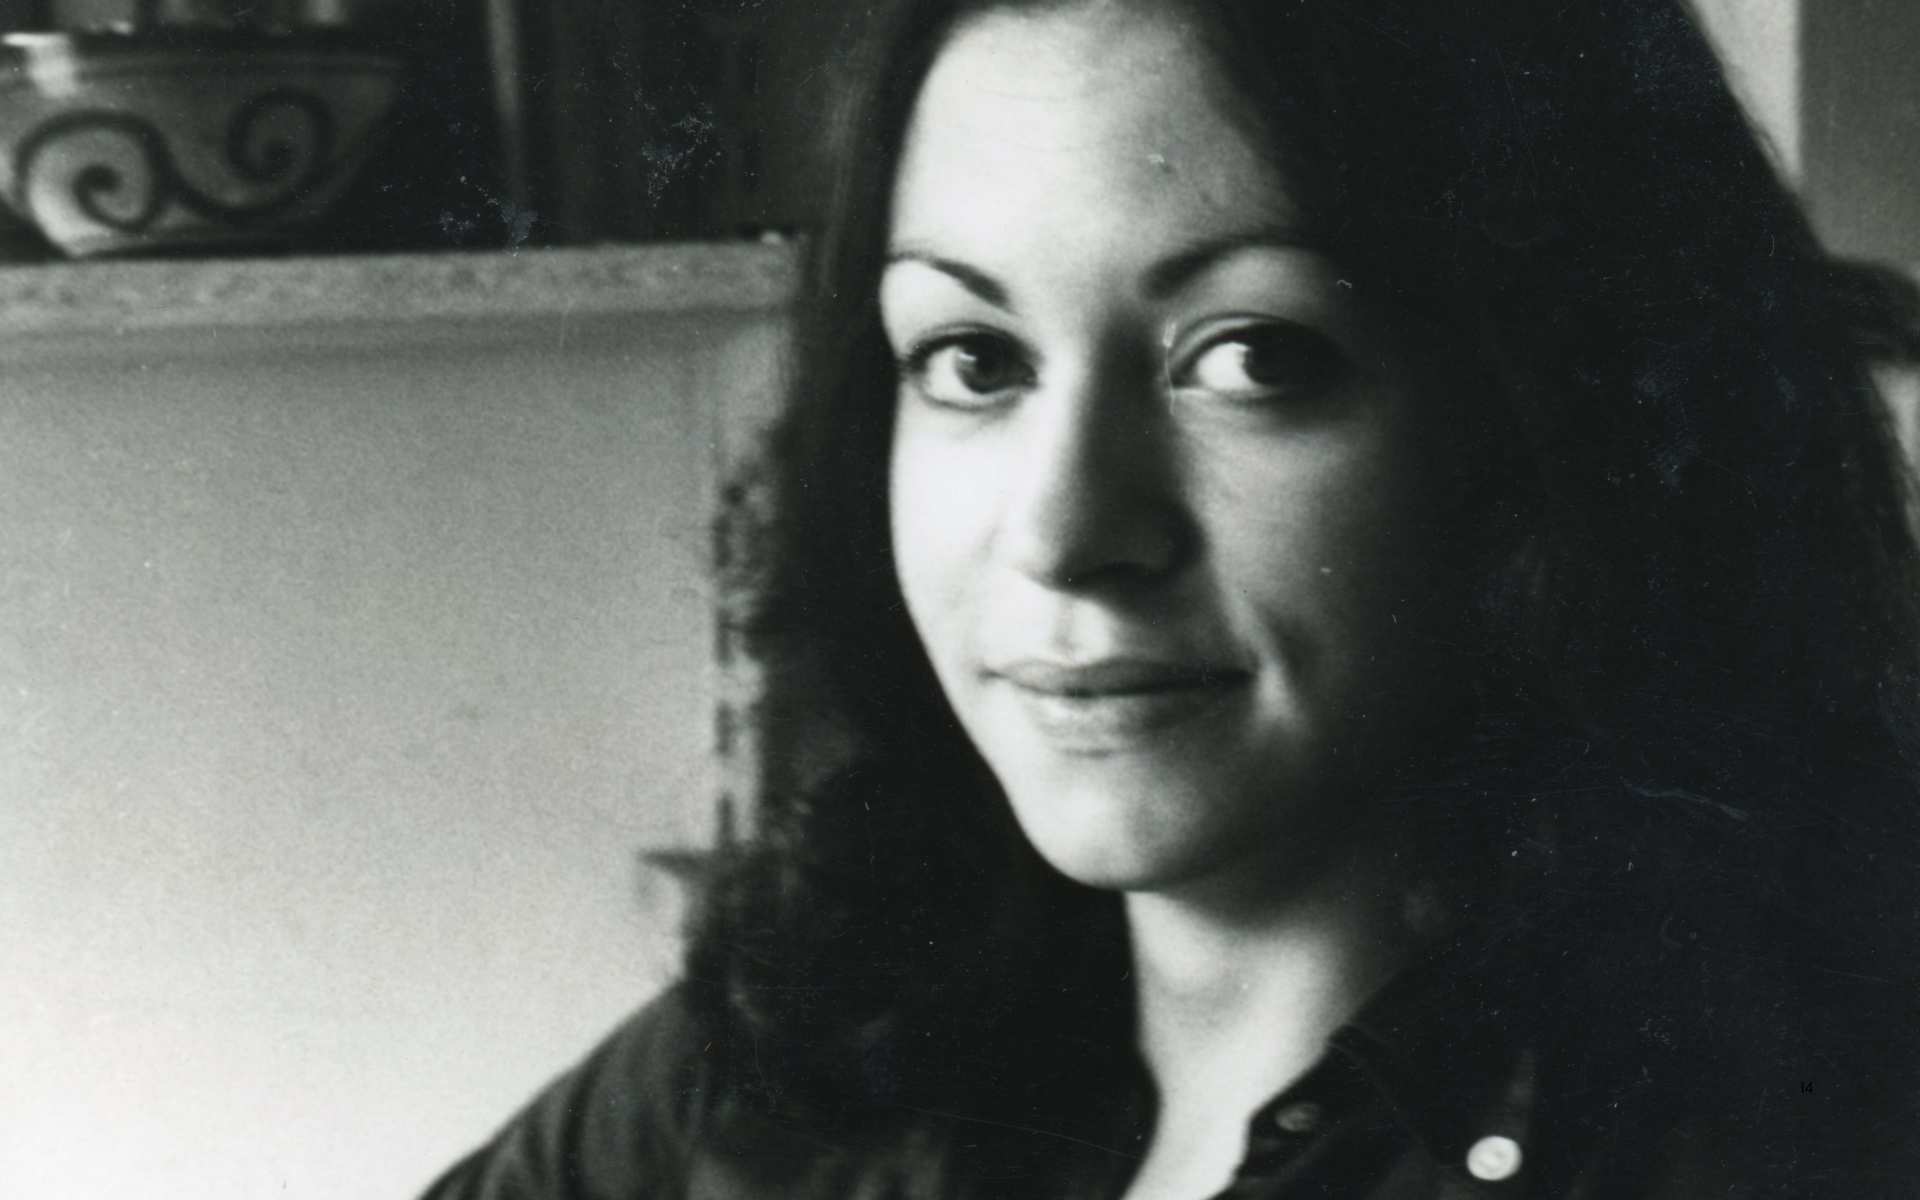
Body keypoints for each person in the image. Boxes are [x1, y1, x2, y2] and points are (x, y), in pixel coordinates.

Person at [421, 0, 1920, 1196]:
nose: (1065, 532)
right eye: (973, 361)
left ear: (1566, 415)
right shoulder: (787, 1050)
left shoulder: (1794, 1139)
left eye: (1253, 357)